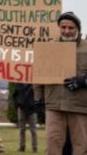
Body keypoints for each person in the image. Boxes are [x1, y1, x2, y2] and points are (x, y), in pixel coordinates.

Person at [34, 11, 87, 155]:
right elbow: (38, 76)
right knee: (53, 145)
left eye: (71, 28)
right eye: (63, 27)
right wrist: (38, 99)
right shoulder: (49, 48)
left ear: (78, 29)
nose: (67, 31)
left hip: (80, 106)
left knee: (81, 147)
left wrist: (84, 81)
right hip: (54, 105)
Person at [13, 83, 37, 152]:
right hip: (21, 108)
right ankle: (22, 146)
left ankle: (34, 147)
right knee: (22, 129)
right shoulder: (18, 84)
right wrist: (17, 105)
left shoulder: (33, 84)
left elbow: (38, 95)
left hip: (32, 109)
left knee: (33, 130)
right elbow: (14, 95)